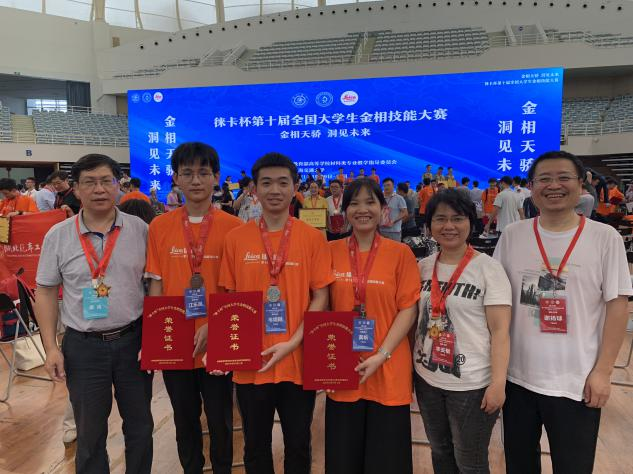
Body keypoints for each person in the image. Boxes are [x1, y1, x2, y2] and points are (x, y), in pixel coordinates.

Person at [494, 150, 633, 474]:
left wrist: (603, 372)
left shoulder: (604, 237)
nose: (553, 185)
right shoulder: (514, 235)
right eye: (544, 179)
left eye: (563, 178)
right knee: (519, 465)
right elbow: (497, 300)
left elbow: (618, 307)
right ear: (531, 187)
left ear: (581, 184)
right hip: (517, 379)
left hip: (576, 381)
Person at [34, 154, 153, 474]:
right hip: (83, 347)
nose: (99, 189)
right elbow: (45, 291)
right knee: (89, 433)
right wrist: (51, 348)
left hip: (133, 342)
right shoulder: (58, 235)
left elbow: (154, 285)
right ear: (75, 189)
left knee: (140, 427)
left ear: (118, 185)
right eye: (89, 182)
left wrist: (154, 339)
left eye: (106, 181)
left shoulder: (140, 230)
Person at [218, 152, 334, 473]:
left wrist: (293, 342)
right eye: (266, 183)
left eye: (283, 183)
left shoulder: (312, 238)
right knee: (255, 446)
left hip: (298, 361)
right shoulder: (236, 239)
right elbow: (230, 298)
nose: (274, 190)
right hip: (251, 363)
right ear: (254, 189)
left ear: (295, 187)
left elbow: (321, 296)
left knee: (298, 444)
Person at [146, 142, 241, 474]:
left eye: (204, 172)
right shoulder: (160, 226)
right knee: (183, 418)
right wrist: (156, 337)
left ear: (216, 177)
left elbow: (236, 289)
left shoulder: (234, 228)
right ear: (176, 178)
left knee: (220, 418)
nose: (196, 180)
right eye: (187, 173)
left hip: (219, 338)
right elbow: (156, 283)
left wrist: (215, 326)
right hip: (176, 339)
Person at [325, 178, 420, 473]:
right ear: (344, 210)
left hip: (388, 366)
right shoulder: (329, 251)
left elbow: (408, 309)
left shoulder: (400, 253)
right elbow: (322, 307)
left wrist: (381, 354)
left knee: (387, 460)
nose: (362, 209)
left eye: (370, 202)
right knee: (343, 458)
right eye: (354, 203)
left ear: (383, 208)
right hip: (343, 369)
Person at [414, 189, 511, 473]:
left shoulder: (489, 269)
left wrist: (498, 384)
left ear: (470, 221)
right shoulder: (422, 267)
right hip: (427, 378)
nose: (449, 226)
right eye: (440, 219)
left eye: (457, 218)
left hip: (471, 384)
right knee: (439, 450)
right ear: (429, 225)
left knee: (470, 461)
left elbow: (500, 331)